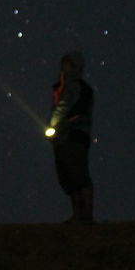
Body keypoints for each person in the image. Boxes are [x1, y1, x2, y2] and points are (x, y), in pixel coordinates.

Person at [46, 50, 94, 224]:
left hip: (75, 135)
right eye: (62, 64)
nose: (63, 68)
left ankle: (86, 216)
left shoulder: (81, 88)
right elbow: (59, 110)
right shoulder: (60, 89)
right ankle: (77, 216)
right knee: (68, 176)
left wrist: (62, 125)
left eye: (67, 64)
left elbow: (78, 112)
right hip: (61, 138)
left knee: (78, 173)